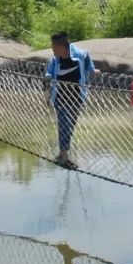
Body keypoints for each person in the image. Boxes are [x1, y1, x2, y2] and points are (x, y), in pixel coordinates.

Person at [45, 32, 100, 170]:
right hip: (60, 97)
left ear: (61, 46)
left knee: (70, 126)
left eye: (53, 46)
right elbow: (49, 73)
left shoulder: (81, 55)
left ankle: (62, 153)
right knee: (64, 124)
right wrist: (46, 77)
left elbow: (88, 63)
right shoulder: (54, 60)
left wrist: (93, 70)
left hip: (77, 97)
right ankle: (64, 155)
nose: (52, 49)